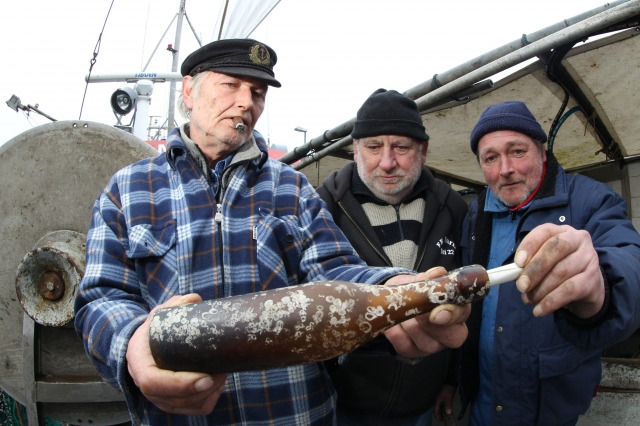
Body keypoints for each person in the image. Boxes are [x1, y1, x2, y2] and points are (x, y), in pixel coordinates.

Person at [73, 38, 470, 425]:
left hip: (295, 412)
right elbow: (101, 297)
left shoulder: (291, 187)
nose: (246, 102)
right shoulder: (128, 189)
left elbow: (333, 271)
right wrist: (132, 343)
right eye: (230, 85)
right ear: (189, 91)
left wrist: (394, 288)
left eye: (258, 92)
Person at [457, 100, 640, 425]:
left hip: (548, 407)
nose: (505, 169)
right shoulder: (476, 213)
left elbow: (630, 260)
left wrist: (602, 286)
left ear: (543, 153)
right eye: (491, 158)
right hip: (481, 403)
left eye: (517, 151)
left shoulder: (591, 200)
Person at [316, 88, 468, 426]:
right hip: (342, 405)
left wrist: (451, 381)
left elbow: (469, 305)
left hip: (422, 404)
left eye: (401, 147)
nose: (387, 162)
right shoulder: (321, 207)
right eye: (373, 147)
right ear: (355, 150)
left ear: (423, 151)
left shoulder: (453, 208)